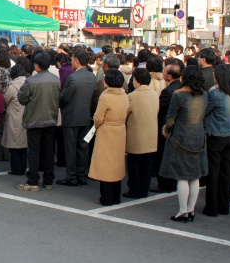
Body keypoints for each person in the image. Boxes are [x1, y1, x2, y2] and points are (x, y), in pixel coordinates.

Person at [159, 66, 208, 223]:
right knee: (195, 175)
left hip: (181, 137)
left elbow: (170, 119)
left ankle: (182, 211)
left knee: (182, 176)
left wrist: (167, 130)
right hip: (198, 135)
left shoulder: (178, 96)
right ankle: (191, 209)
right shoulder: (204, 95)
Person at [17, 52, 60, 192]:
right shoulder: (56, 79)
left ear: (36, 65)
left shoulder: (31, 81)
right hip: (51, 118)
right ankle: (48, 180)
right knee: (48, 150)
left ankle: (33, 180)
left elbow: (22, 99)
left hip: (34, 119)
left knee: (34, 151)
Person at [89, 69, 129, 206]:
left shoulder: (105, 96)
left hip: (107, 131)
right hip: (120, 130)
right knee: (117, 165)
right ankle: (115, 197)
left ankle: (106, 197)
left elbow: (98, 117)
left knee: (105, 166)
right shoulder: (124, 95)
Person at [203, 64, 230, 217]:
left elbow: (205, 110)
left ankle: (211, 207)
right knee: (226, 172)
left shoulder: (215, 93)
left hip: (216, 135)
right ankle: (224, 206)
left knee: (213, 172)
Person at [58, 50, 96, 186]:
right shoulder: (92, 77)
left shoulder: (73, 78)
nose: (72, 62)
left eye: (73, 60)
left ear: (77, 61)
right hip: (85, 116)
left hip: (71, 116)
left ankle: (71, 176)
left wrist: (59, 101)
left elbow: (65, 96)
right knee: (83, 147)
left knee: (70, 148)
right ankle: (81, 174)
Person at [125, 68, 159, 199]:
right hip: (151, 134)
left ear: (136, 81)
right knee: (147, 165)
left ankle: (134, 190)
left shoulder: (132, 96)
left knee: (134, 164)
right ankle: (144, 190)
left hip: (136, 135)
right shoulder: (155, 94)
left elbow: (125, 113)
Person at [151, 63, 182, 193]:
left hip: (165, 126)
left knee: (163, 155)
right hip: (176, 126)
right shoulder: (180, 87)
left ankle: (164, 182)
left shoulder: (168, 91)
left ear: (169, 76)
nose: (162, 73)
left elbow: (159, 108)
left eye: (164, 71)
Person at [2, 65, 28, 175]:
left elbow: (5, 101)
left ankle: (16, 169)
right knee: (24, 145)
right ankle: (23, 167)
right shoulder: (29, 84)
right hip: (26, 116)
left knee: (13, 145)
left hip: (14, 117)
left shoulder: (12, 87)